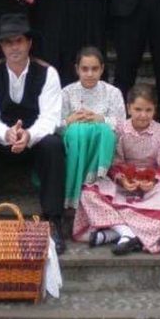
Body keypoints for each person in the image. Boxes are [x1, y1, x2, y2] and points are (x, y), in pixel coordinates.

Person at [0, 14, 67, 252]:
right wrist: (6, 134)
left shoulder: (48, 72)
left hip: (34, 142)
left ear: (29, 43)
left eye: (18, 41)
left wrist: (28, 135)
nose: (14, 47)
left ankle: (53, 220)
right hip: (3, 141)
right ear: (1, 46)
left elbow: (51, 116)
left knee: (53, 145)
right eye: (8, 42)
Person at [73, 83, 160, 255]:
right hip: (124, 182)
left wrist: (153, 180)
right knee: (88, 192)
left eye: (148, 110)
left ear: (154, 110)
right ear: (129, 108)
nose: (143, 115)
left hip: (152, 185)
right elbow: (113, 162)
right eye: (138, 109)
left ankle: (112, 234)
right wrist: (122, 179)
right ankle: (126, 232)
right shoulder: (120, 130)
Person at [60, 47, 125, 209]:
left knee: (103, 131)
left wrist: (100, 119)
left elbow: (122, 125)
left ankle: (94, 179)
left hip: (100, 145)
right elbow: (53, 126)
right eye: (85, 69)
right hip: (74, 146)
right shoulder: (66, 93)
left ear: (102, 69)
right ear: (77, 69)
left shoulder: (113, 93)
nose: (90, 74)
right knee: (77, 131)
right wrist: (70, 120)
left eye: (94, 69)